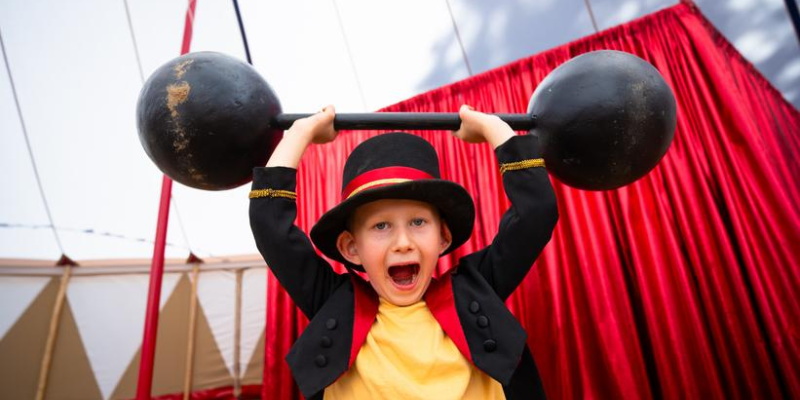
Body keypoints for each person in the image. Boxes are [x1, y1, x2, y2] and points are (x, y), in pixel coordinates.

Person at [249, 105, 558, 399]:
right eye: (381, 226)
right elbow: (271, 227)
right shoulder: (335, 302)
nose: (402, 242)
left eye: (418, 222)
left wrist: (494, 128)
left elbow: (536, 213)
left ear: (443, 237)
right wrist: (301, 133)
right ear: (351, 247)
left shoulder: (477, 289)